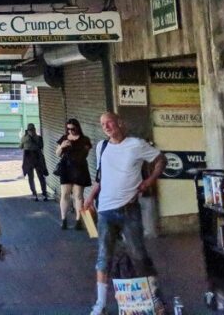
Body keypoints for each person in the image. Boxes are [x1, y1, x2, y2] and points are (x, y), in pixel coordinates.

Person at [84, 112, 166, 315]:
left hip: (129, 210)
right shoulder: (101, 147)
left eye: (109, 122)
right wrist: (89, 197)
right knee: (104, 257)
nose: (106, 126)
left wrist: (150, 180)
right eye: (103, 123)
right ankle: (100, 304)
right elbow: (100, 177)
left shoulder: (136, 144)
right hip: (105, 211)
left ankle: (154, 299)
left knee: (139, 255)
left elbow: (160, 160)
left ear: (120, 122)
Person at [55, 118, 92, 230]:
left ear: (77, 128)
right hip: (66, 168)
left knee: (78, 196)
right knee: (65, 194)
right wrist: (62, 146)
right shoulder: (64, 138)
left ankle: (78, 220)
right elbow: (57, 154)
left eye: (73, 129)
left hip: (79, 169)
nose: (70, 131)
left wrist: (79, 148)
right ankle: (64, 219)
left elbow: (85, 154)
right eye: (68, 129)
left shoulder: (85, 140)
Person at [20, 123, 49, 201]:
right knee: (41, 176)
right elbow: (41, 146)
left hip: (28, 158)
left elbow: (20, 147)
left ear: (28, 130)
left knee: (31, 177)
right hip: (38, 157)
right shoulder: (39, 138)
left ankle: (34, 193)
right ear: (35, 130)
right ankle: (44, 193)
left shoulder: (24, 138)